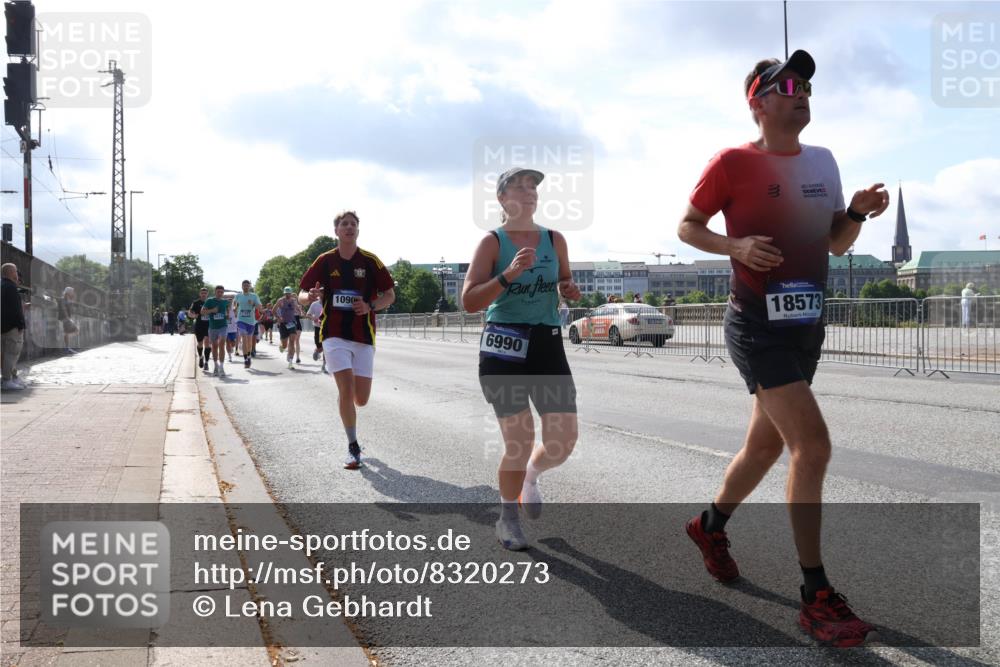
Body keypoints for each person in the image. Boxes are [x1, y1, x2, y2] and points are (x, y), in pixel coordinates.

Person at [676, 49, 889, 647]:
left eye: (807, 86)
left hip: (806, 327)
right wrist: (736, 248)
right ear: (758, 100)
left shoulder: (823, 160)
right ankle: (815, 594)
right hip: (756, 325)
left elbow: (838, 244)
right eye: (789, 84)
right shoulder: (732, 162)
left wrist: (856, 212)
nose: (803, 93)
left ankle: (708, 525)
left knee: (763, 448)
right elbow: (687, 227)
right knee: (812, 445)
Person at [461, 167, 581, 551]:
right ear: (502, 198)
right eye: (520, 186)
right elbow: (468, 302)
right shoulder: (492, 243)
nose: (529, 192)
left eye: (533, 186)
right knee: (519, 439)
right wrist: (509, 275)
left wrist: (569, 288)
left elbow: (564, 281)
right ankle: (507, 518)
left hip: (547, 344)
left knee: (563, 441)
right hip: (504, 346)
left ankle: (531, 474)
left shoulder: (554, 239)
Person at [299, 210, 395, 470]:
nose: (349, 227)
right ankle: (353, 446)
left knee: (360, 398)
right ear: (337, 230)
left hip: (363, 335)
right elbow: (301, 294)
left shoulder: (370, 261)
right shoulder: (325, 260)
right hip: (334, 334)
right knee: (345, 389)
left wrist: (370, 306)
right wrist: (311, 297)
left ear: (358, 230)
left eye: (353, 224)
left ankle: (350, 409)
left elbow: (389, 295)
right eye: (344, 224)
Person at [1, 263, 27, 391]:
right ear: (12, 273)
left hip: (3, 326)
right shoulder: (11, 287)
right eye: (16, 271)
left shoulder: (1, 285)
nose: (17, 274)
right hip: (12, 327)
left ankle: (10, 378)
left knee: (4, 354)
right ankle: (7, 380)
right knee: (12, 353)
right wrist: (21, 324)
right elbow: (15, 309)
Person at [201, 286, 231, 376]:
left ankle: (221, 367)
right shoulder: (209, 301)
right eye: (218, 292)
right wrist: (212, 310)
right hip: (213, 327)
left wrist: (227, 314)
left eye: (221, 292)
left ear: (223, 293)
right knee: (214, 346)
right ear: (215, 292)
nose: (220, 293)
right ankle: (215, 366)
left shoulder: (225, 302)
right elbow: (202, 312)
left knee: (222, 344)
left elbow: (228, 314)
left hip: (223, 326)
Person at [233, 280, 263, 368]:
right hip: (241, 320)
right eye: (244, 285)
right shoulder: (238, 296)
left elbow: (260, 308)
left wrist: (253, 303)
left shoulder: (254, 296)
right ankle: (246, 359)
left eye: (247, 285)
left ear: (249, 287)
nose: (246, 287)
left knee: (249, 342)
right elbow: (235, 304)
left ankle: (248, 356)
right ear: (241, 286)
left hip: (251, 321)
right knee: (244, 338)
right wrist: (235, 308)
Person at [274, 287, 303, 369]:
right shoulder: (280, 301)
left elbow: (297, 308)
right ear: (284, 293)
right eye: (286, 293)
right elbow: (273, 310)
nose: (287, 295)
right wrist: (278, 318)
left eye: (289, 293)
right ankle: (282, 347)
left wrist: (300, 311)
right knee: (284, 345)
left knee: (292, 341)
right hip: (283, 324)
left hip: (292, 323)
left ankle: (290, 362)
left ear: (291, 293)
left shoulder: (293, 300)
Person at [188, 288, 212, 371]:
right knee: (200, 343)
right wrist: (193, 315)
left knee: (207, 343)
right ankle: (201, 356)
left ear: (207, 294)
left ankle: (206, 362)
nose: (204, 294)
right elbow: (190, 312)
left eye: (205, 293)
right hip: (199, 326)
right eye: (202, 293)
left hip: (209, 325)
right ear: (200, 294)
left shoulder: (210, 302)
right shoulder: (196, 303)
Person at [57, 287, 79, 353]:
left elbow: (70, 306)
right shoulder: (63, 299)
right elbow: (64, 309)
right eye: (71, 292)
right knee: (76, 330)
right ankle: (67, 348)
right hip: (65, 318)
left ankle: (67, 348)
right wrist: (68, 319)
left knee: (68, 332)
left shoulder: (67, 299)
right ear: (68, 292)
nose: (72, 293)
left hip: (66, 318)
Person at [306, 287, 325, 362]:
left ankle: (324, 365)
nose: (323, 293)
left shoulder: (330, 303)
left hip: (326, 327)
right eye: (321, 292)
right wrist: (314, 318)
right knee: (320, 347)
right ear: (319, 293)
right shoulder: (315, 304)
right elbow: (308, 315)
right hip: (317, 327)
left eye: (324, 292)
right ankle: (317, 351)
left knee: (326, 346)